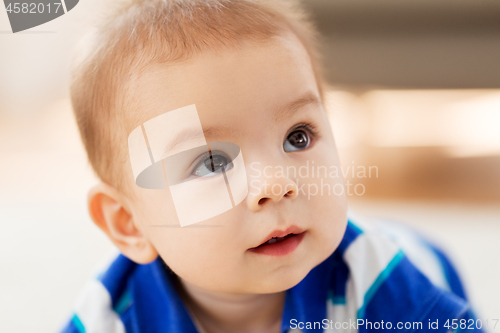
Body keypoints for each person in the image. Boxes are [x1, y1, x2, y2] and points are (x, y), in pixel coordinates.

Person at [60, 0, 480, 332]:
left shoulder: (374, 282)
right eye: (212, 162)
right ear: (129, 223)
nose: (276, 183)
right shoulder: (111, 318)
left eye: (298, 137)